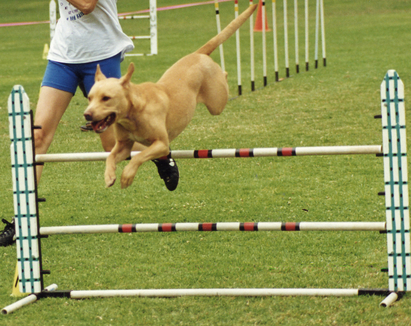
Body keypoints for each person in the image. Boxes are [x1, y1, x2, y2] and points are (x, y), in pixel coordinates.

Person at [0, 0, 179, 247]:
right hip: (63, 56)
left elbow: (86, 5)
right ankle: (21, 221)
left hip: (101, 54)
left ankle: (160, 152)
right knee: (37, 137)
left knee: (111, 147)